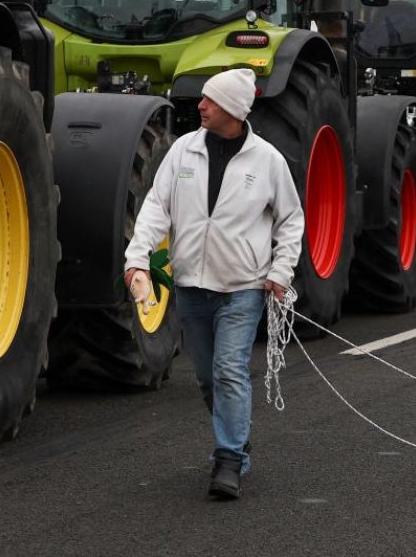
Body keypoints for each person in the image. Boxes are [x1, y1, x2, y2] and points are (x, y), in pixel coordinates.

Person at [123, 67, 303, 501]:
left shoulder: (268, 162)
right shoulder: (183, 151)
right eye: (203, 99)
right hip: (191, 288)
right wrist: (137, 259)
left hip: (243, 288)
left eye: (211, 101)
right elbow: (155, 208)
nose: (200, 106)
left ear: (236, 110)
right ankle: (237, 435)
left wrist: (280, 272)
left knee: (228, 370)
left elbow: (291, 220)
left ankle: (227, 461)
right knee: (207, 377)